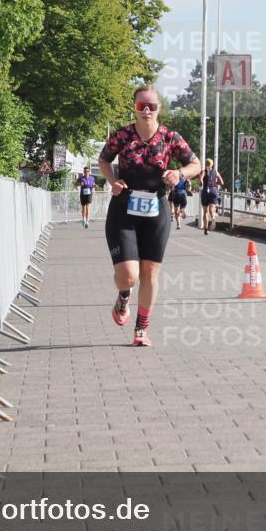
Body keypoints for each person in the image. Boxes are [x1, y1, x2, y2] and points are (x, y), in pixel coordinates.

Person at [99, 86, 200, 347]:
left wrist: (179, 173)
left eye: (152, 106)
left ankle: (141, 330)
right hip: (124, 207)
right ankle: (123, 296)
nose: (146, 110)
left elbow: (196, 164)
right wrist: (113, 181)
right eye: (141, 105)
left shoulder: (170, 137)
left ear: (159, 109)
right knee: (129, 275)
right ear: (133, 107)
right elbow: (104, 160)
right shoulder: (122, 135)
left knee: (150, 271)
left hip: (157, 207)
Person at [199, 158, 224, 235]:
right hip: (213, 190)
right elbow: (222, 182)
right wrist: (216, 183)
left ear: (205, 164)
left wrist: (202, 184)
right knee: (212, 210)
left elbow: (200, 179)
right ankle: (213, 217)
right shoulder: (215, 171)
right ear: (212, 164)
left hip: (206, 190)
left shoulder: (203, 171)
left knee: (205, 211)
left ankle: (206, 228)